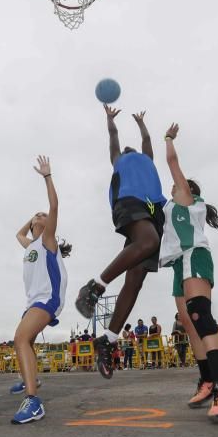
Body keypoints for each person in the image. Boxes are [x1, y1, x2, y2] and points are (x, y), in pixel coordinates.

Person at [75, 105, 165, 378]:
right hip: (130, 201)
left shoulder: (146, 158)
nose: (128, 148)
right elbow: (113, 138)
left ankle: (108, 339)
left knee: (136, 278)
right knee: (148, 242)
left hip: (152, 209)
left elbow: (147, 142)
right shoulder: (119, 160)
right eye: (125, 148)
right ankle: (94, 287)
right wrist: (110, 120)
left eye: (132, 148)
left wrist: (141, 124)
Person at [159, 123, 218, 421]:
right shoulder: (173, 206)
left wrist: (167, 138)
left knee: (200, 317)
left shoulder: (188, 200)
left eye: (178, 186)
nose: (173, 188)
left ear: (188, 190)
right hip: (180, 263)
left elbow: (171, 162)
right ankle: (207, 380)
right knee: (190, 325)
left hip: (195, 256)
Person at [10, 156, 71, 424]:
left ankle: (33, 401)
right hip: (33, 301)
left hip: (48, 298)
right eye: (38, 215)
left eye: (43, 216)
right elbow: (18, 234)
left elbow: (54, 205)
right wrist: (31, 218)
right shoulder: (31, 245)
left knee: (20, 339)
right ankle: (30, 379)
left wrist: (47, 176)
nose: (41, 215)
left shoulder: (47, 240)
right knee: (28, 342)